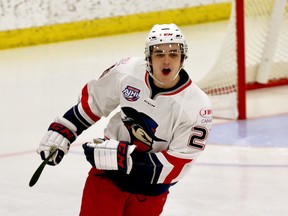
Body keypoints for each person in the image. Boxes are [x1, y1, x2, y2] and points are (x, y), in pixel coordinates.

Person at [38, 23, 213, 216]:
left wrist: (123, 159)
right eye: (159, 54)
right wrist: (64, 130)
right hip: (107, 180)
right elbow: (94, 103)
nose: (166, 61)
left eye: (173, 54)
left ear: (182, 58)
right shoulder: (127, 71)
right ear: (148, 57)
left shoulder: (197, 107)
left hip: (149, 194)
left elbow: (176, 166)